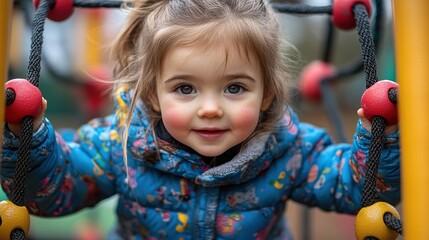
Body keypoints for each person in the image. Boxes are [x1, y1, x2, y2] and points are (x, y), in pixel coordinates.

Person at [1, 0, 400, 239]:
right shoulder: (122, 144)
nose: (210, 109)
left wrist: (380, 138)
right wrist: (26, 140)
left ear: (268, 94)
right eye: (186, 89)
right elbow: (53, 192)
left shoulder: (288, 149)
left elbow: (356, 187)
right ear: (154, 92)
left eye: (234, 88)